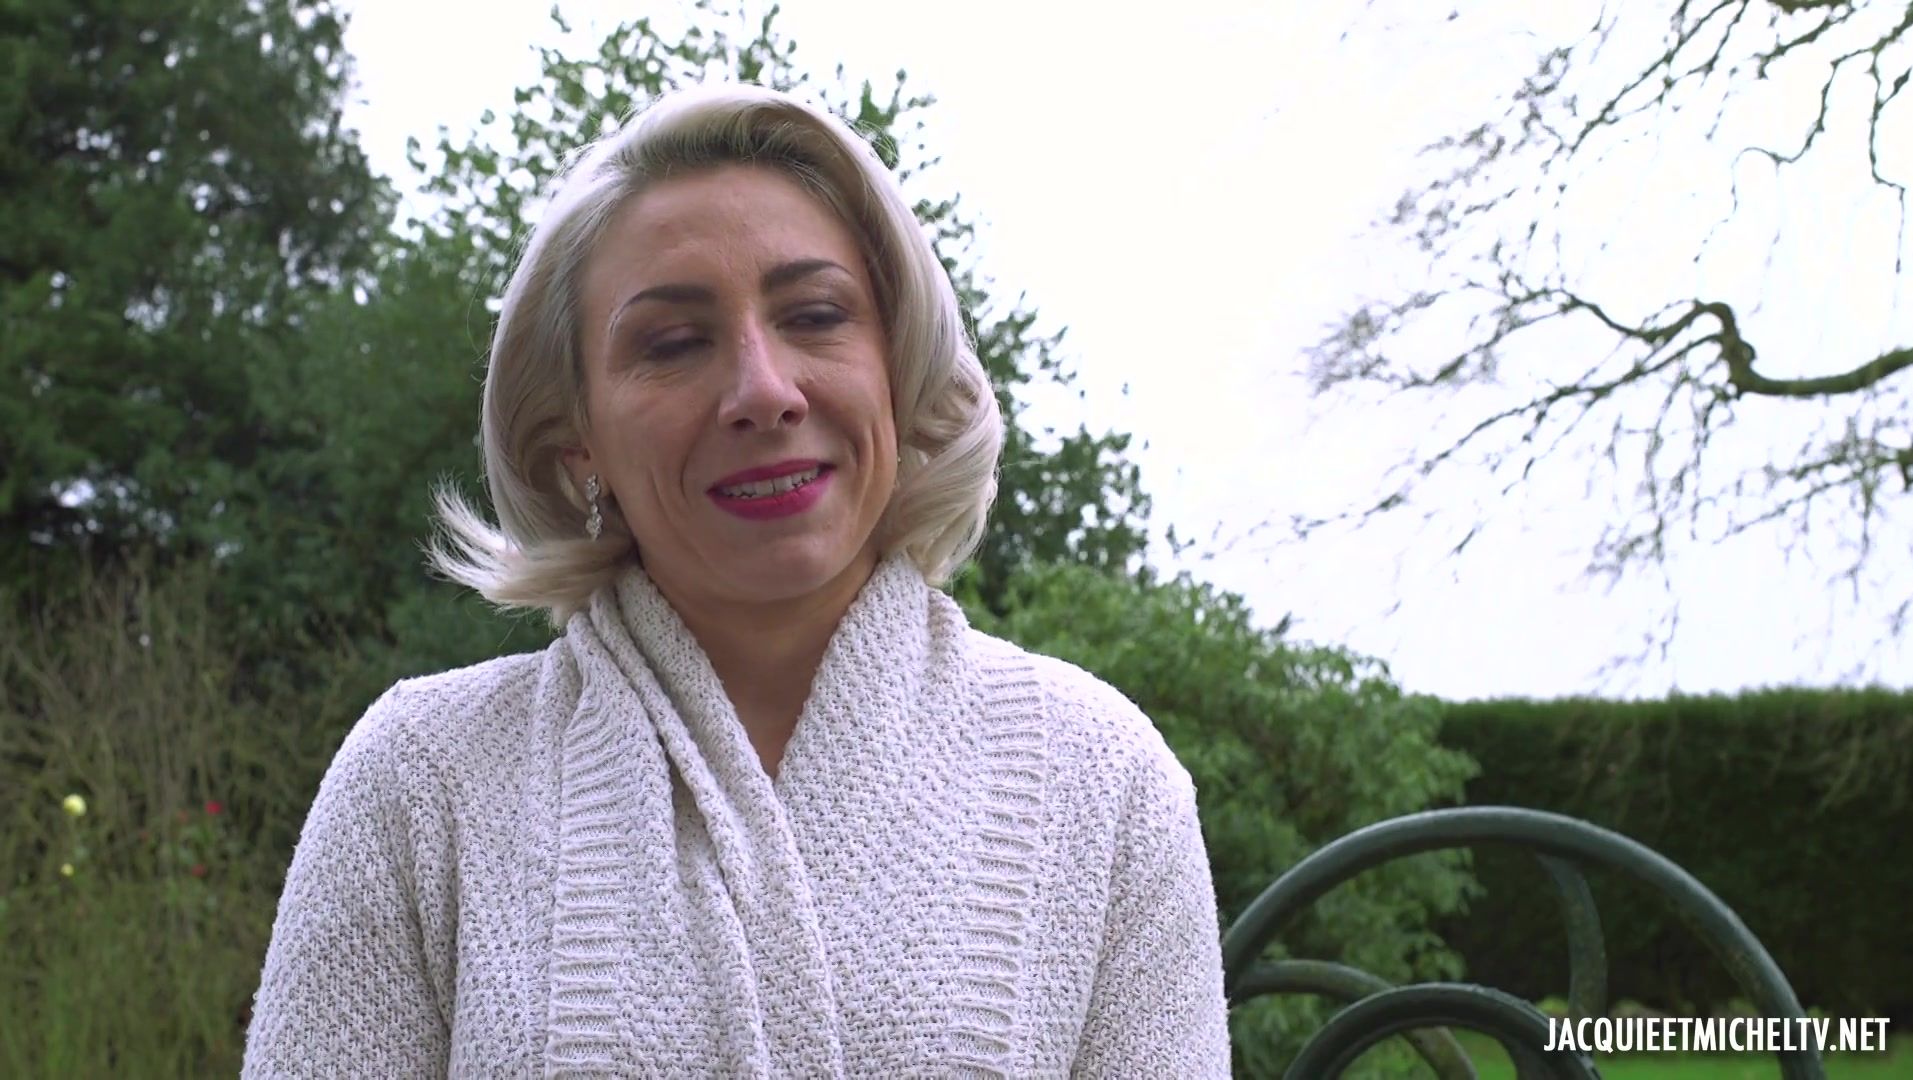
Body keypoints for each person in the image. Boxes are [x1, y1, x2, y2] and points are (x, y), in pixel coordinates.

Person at [242, 81, 1231, 1078]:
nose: (763, 390)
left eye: (817, 315)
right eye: (674, 344)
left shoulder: (1100, 780)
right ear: (576, 440)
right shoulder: (424, 777)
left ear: (897, 368)